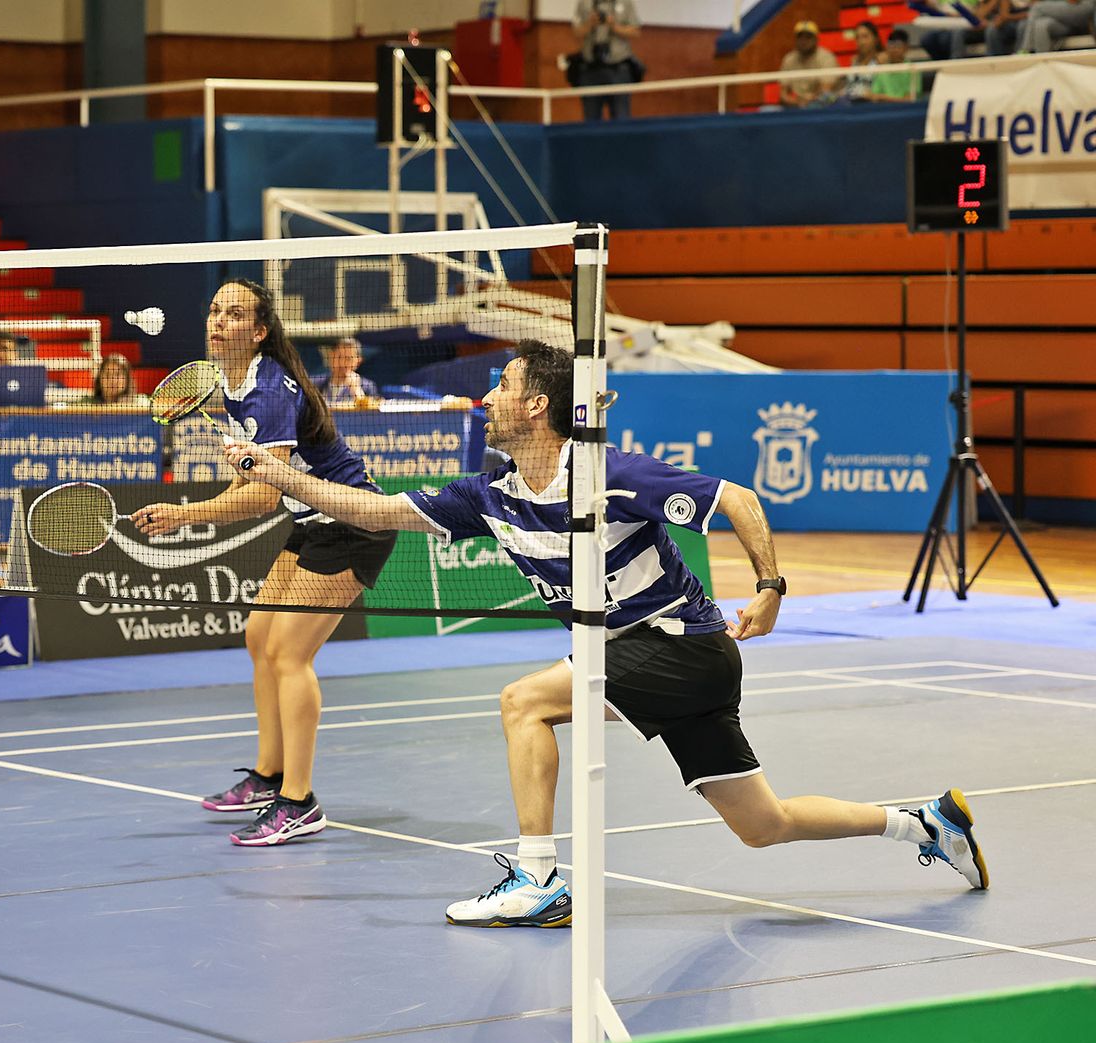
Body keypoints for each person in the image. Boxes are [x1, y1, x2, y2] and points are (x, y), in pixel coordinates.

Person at [225, 340, 988, 925]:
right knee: (765, 823)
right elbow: (370, 509)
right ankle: (922, 821)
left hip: (683, 645)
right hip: (651, 658)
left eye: (503, 387)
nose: (486, 397)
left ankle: (537, 879)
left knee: (524, 701)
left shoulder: (611, 476)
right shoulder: (486, 494)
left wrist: (771, 589)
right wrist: (273, 468)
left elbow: (741, 498)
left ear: (536, 409)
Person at [130, 278, 398, 847]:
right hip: (312, 520)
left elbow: (261, 496)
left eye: (233, 314)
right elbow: (245, 483)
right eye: (213, 310)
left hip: (354, 522)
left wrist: (183, 516)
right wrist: (197, 508)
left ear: (258, 332)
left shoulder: (270, 391)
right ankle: (268, 774)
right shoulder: (230, 389)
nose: (218, 321)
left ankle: (299, 801)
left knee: (288, 652)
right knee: (259, 636)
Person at [573, 0, 642, 121]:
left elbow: (636, 32)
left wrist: (613, 26)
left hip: (618, 68)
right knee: (590, 119)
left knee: (621, 117)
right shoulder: (585, 3)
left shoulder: (625, 3)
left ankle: (621, 140)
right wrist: (590, 23)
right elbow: (576, 32)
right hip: (590, 69)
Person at [779, 20, 842, 107]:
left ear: (816, 39)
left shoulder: (826, 57)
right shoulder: (789, 59)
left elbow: (826, 90)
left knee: (817, 103)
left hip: (822, 105)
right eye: (800, 37)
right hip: (796, 104)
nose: (804, 41)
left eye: (808, 37)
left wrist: (808, 100)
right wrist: (796, 102)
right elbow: (783, 94)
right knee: (767, 110)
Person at [311, 337, 380, 408]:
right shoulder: (313, 384)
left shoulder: (368, 387)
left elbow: (370, 415)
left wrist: (357, 391)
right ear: (331, 357)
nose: (342, 363)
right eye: (339, 357)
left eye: (348, 359)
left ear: (358, 361)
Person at [868, 27, 922, 102]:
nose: (894, 50)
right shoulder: (882, 69)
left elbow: (909, 99)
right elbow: (874, 96)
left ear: (906, 48)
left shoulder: (913, 69)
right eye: (891, 45)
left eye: (898, 46)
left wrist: (884, 98)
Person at [1020, 0, 1094, 52]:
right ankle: (1043, 60)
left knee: (1037, 7)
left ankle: (1026, 49)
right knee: (1041, 24)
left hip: (1082, 7)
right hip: (1062, 21)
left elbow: (1073, 2)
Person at [840, 20, 884, 102]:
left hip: (872, 106)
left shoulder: (882, 59)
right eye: (857, 37)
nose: (861, 42)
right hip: (849, 104)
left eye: (865, 36)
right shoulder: (854, 61)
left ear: (876, 38)